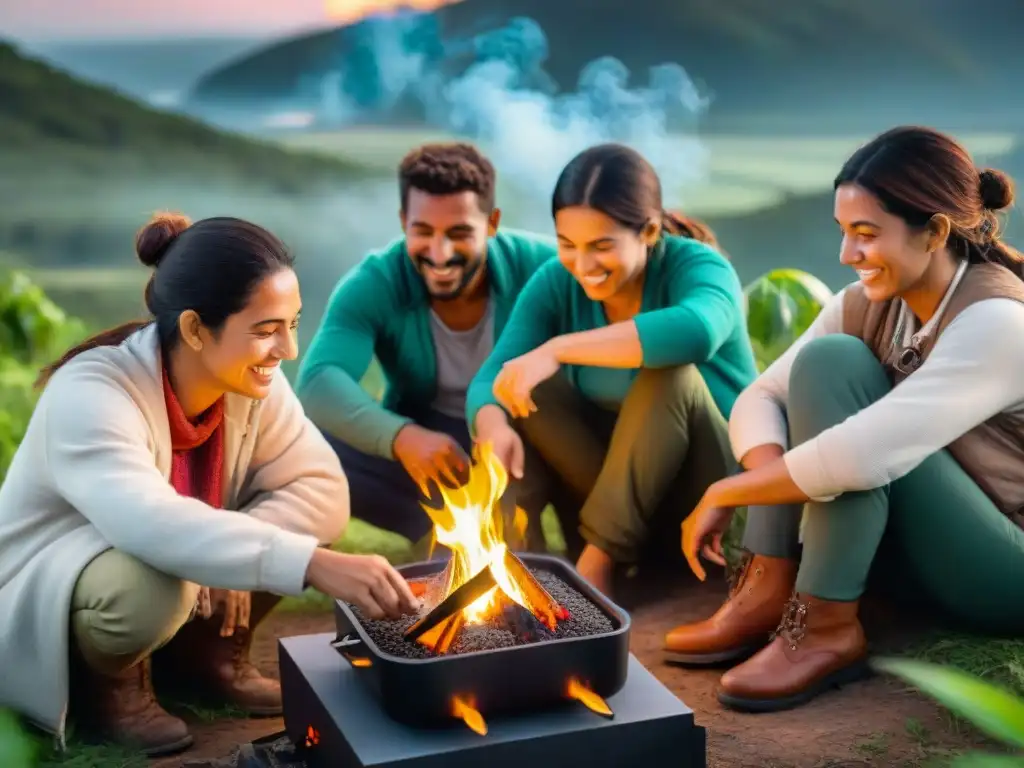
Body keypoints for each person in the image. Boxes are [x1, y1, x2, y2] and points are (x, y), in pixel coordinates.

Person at [0, 213, 419, 757]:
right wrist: (305, 563)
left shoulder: (247, 381)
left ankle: (204, 660)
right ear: (197, 329)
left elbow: (321, 487)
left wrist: (240, 555)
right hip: (57, 586)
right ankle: (111, 689)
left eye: (292, 323)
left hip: (164, 552)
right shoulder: (93, 392)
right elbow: (149, 522)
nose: (288, 349)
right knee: (151, 583)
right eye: (266, 330)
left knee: (292, 524)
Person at [665, 125, 1024, 713]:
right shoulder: (870, 303)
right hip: (922, 552)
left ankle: (826, 628)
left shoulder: (996, 323)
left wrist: (732, 489)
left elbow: (862, 456)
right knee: (829, 361)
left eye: (866, 234)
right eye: (842, 232)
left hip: (1004, 566)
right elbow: (760, 397)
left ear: (934, 232)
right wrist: (768, 506)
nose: (846, 255)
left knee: (857, 437)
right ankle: (769, 589)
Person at [466, 143, 760, 596]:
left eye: (602, 247)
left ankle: (596, 567)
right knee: (521, 389)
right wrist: (492, 423)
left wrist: (559, 348)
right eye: (568, 245)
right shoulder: (555, 282)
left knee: (670, 374)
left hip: (708, 500)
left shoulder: (699, 267)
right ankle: (515, 570)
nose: (583, 266)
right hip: (622, 503)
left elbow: (697, 330)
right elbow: (493, 376)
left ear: (649, 231)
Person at [296, 142, 560, 552]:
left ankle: (514, 533)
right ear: (404, 221)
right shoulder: (375, 281)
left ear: (491, 223)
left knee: (519, 552)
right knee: (306, 442)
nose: (440, 253)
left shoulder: (544, 266)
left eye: (459, 233)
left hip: (521, 438)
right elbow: (318, 381)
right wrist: (401, 436)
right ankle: (435, 528)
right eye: (423, 232)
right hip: (430, 443)